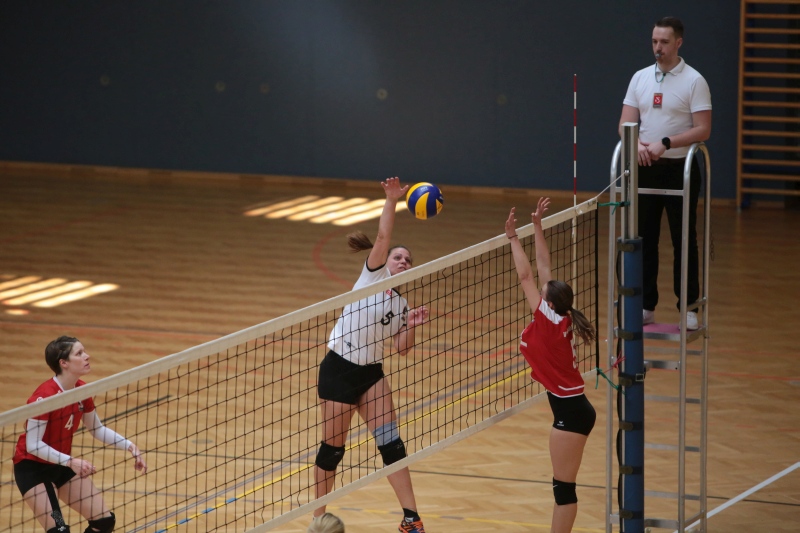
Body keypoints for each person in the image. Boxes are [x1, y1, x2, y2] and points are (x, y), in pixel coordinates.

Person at [313, 177, 429, 533]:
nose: (403, 261)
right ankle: (318, 520)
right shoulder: (372, 276)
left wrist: (412, 325)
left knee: (392, 444)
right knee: (333, 451)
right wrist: (392, 200)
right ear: (385, 261)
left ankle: (411, 519)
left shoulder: (401, 304)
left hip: (371, 375)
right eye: (398, 256)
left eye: (408, 260)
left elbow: (402, 349)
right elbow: (382, 236)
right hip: (339, 370)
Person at [505, 198, 597, 533]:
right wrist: (537, 226)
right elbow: (544, 268)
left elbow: (526, 275)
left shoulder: (548, 320)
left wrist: (513, 237)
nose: (540, 292)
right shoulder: (562, 314)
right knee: (563, 488)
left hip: (571, 414)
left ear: (547, 303)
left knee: (564, 490)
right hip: (574, 408)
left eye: (542, 294)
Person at [618, 16, 712, 330]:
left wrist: (666, 143)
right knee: (645, 238)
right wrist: (637, 144)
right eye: (654, 41)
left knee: (684, 240)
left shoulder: (694, 81)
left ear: (678, 43)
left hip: (680, 170)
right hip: (646, 170)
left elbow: (703, 129)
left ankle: (689, 307)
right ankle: (646, 305)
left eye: (664, 42)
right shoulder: (640, 78)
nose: (658, 47)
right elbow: (625, 123)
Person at [13, 336, 147, 533]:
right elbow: (33, 444)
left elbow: (97, 429)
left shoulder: (81, 390)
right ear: (64, 363)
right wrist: (70, 461)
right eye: (79, 353)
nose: (87, 356)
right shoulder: (44, 398)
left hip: (62, 465)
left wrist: (129, 445)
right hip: (34, 471)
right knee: (59, 529)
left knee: (104, 522)